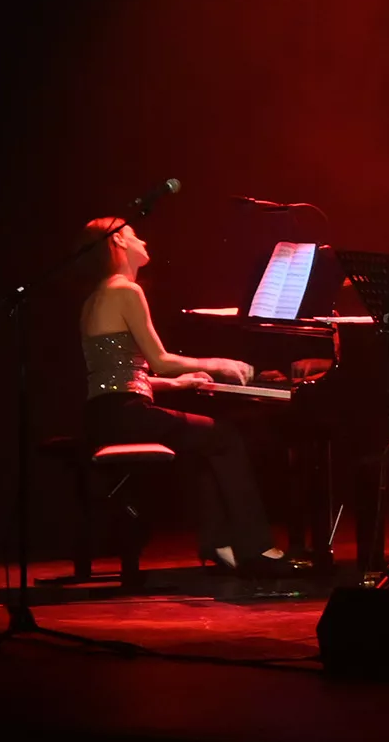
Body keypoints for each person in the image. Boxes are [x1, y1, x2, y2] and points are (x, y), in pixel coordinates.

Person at [75, 218, 288, 574]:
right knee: (226, 437)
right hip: (125, 414)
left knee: (209, 439)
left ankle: (221, 544)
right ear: (117, 244)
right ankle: (255, 548)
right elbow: (160, 360)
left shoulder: (95, 298)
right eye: (132, 235)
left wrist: (179, 384)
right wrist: (219, 362)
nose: (142, 239)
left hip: (104, 414)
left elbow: (114, 378)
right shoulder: (126, 290)